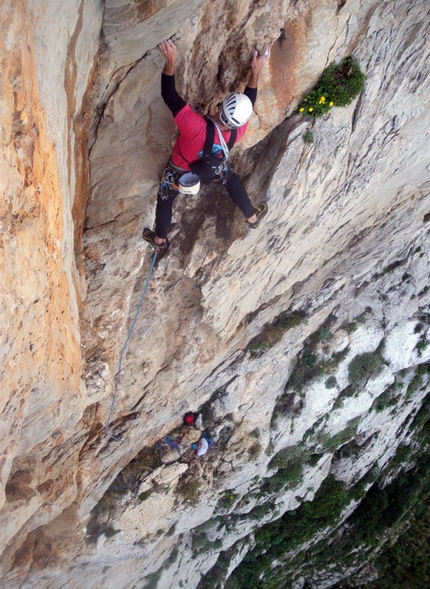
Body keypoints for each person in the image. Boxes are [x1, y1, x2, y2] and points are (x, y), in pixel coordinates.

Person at [143, 39, 271, 258]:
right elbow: (248, 101)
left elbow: (169, 96)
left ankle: (160, 240)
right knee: (230, 180)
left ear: (221, 107)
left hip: (178, 172)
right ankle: (252, 218)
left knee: (166, 196)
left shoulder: (195, 127)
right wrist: (256, 70)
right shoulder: (237, 131)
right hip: (210, 172)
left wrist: (171, 60)